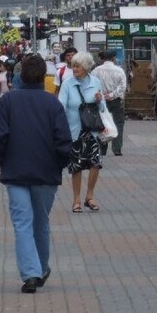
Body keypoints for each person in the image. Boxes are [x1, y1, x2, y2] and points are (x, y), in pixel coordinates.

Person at [0, 54, 72, 293]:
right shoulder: (52, 104)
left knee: (22, 223)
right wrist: (60, 163)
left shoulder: (8, 101)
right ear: (43, 76)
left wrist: (1, 158)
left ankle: (31, 273)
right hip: (46, 173)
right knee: (40, 221)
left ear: (20, 74)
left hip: (15, 171)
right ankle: (41, 267)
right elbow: (63, 140)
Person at [58, 52, 107, 213]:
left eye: (78, 66)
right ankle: (76, 199)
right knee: (76, 166)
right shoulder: (67, 84)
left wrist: (100, 100)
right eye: (73, 66)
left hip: (92, 130)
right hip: (75, 131)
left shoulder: (95, 82)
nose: (74, 69)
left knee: (95, 163)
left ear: (86, 67)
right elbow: (61, 106)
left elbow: (102, 108)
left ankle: (90, 196)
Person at [91, 50, 128, 156]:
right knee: (118, 124)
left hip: (100, 101)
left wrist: (102, 96)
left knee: (102, 124)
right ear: (113, 58)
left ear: (103, 59)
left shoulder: (96, 71)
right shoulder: (119, 70)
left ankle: (102, 149)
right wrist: (111, 95)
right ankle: (117, 149)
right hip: (115, 101)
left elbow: (93, 86)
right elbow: (122, 87)